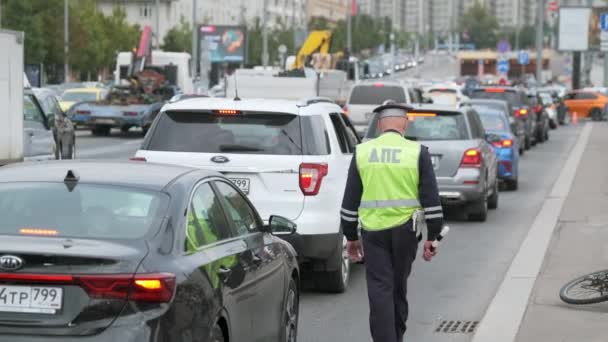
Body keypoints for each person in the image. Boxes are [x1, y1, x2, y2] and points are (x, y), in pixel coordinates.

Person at [340, 103, 444, 342]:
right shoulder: (418, 152)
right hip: (406, 232)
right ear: (405, 124)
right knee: (398, 287)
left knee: (379, 289)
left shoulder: (363, 152)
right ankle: (397, 336)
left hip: (373, 233)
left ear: (379, 125)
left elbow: (349, 201)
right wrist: (432, 237)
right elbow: (432, 201)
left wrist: (351, 237)